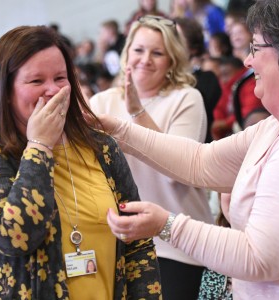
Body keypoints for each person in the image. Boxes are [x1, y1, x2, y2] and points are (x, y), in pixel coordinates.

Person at [93, 0, 279, 298]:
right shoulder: (272, 127)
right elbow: (199, 161)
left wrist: (167, 225)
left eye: (255, 48)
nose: (247, 61)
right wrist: (118, 128)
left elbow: (261, 258)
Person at [0, 25, 161, 299]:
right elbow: (15, 234)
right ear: (5, 90)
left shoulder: (101, 147)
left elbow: (137, 244)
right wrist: (39, 146)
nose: (52, 90)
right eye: (36, 81)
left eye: (60, 78)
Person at [90, 15, 213, 300]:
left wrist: (136, 113)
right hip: (118, 243)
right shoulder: (102, 102)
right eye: (139, 50)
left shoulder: (186, 99)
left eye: (157, 53)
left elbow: (178, 170)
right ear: (126, 53)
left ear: (172, 61)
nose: (145, 59)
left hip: (176, 246)